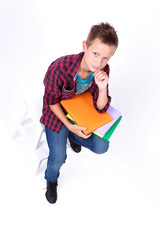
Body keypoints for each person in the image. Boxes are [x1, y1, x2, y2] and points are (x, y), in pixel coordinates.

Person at [40, 22, 118, 204]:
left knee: (101, 146)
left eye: (106, 58)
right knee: (59, 157)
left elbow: (100, 107)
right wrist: (69, 126)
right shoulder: (60, 68)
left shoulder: (103, 70)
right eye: (95, 54)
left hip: (79, 110)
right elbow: (51, 101)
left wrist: (102, 87)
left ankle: (72, 137)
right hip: (57, 112)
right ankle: (51, 180)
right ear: (85, 46)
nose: (99, 62)